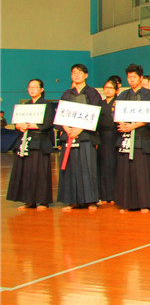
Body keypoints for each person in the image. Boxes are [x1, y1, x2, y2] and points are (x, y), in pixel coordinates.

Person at [57, 64, 102, 212]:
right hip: (69, 134)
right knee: (71, 169)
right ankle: (72, 200)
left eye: (80, 72)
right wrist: (66, 128)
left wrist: (80, 128)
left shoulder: (92, 93)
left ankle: (91, 200)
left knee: (87, 168)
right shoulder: (66, 94)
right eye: (74, 72)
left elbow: (96, 113)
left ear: (86, 75)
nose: (76, 75)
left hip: (86, 136)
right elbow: (61, 114)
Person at [7, 79, 55, 210]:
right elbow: (18, 123)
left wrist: (31, 125)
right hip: (26, 141)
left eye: (35, 87)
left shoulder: (46, 105)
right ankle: (29, 200)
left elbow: (47, 124)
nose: (32, 89)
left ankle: (43, 201)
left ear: (41, 89)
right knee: (26, 171)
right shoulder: (25, 105)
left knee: (40, 172)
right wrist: (19, 125)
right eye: (30, 87)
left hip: (40, 141)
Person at [115, 64, 150, 213]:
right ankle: (127, 204)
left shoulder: (147, 94)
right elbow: (116, 113)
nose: (131, 79)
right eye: (129, 77)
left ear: (140, 78)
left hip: (141, 137)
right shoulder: (123, 95)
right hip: (126, 137)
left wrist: (133, 126)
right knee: (126, 171)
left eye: (134, 77)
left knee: (142, 171)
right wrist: (122, 124)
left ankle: (144, 203)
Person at [97, 79, 119, 205]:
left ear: (116, 90)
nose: (108, 90)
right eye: (106, 88)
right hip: (101, 137)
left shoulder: (118, 103)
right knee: (102, 166)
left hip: (114, 136)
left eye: (111, 88)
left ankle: (113, 195)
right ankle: (103, 195)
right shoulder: (100, 104)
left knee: (112, 165)